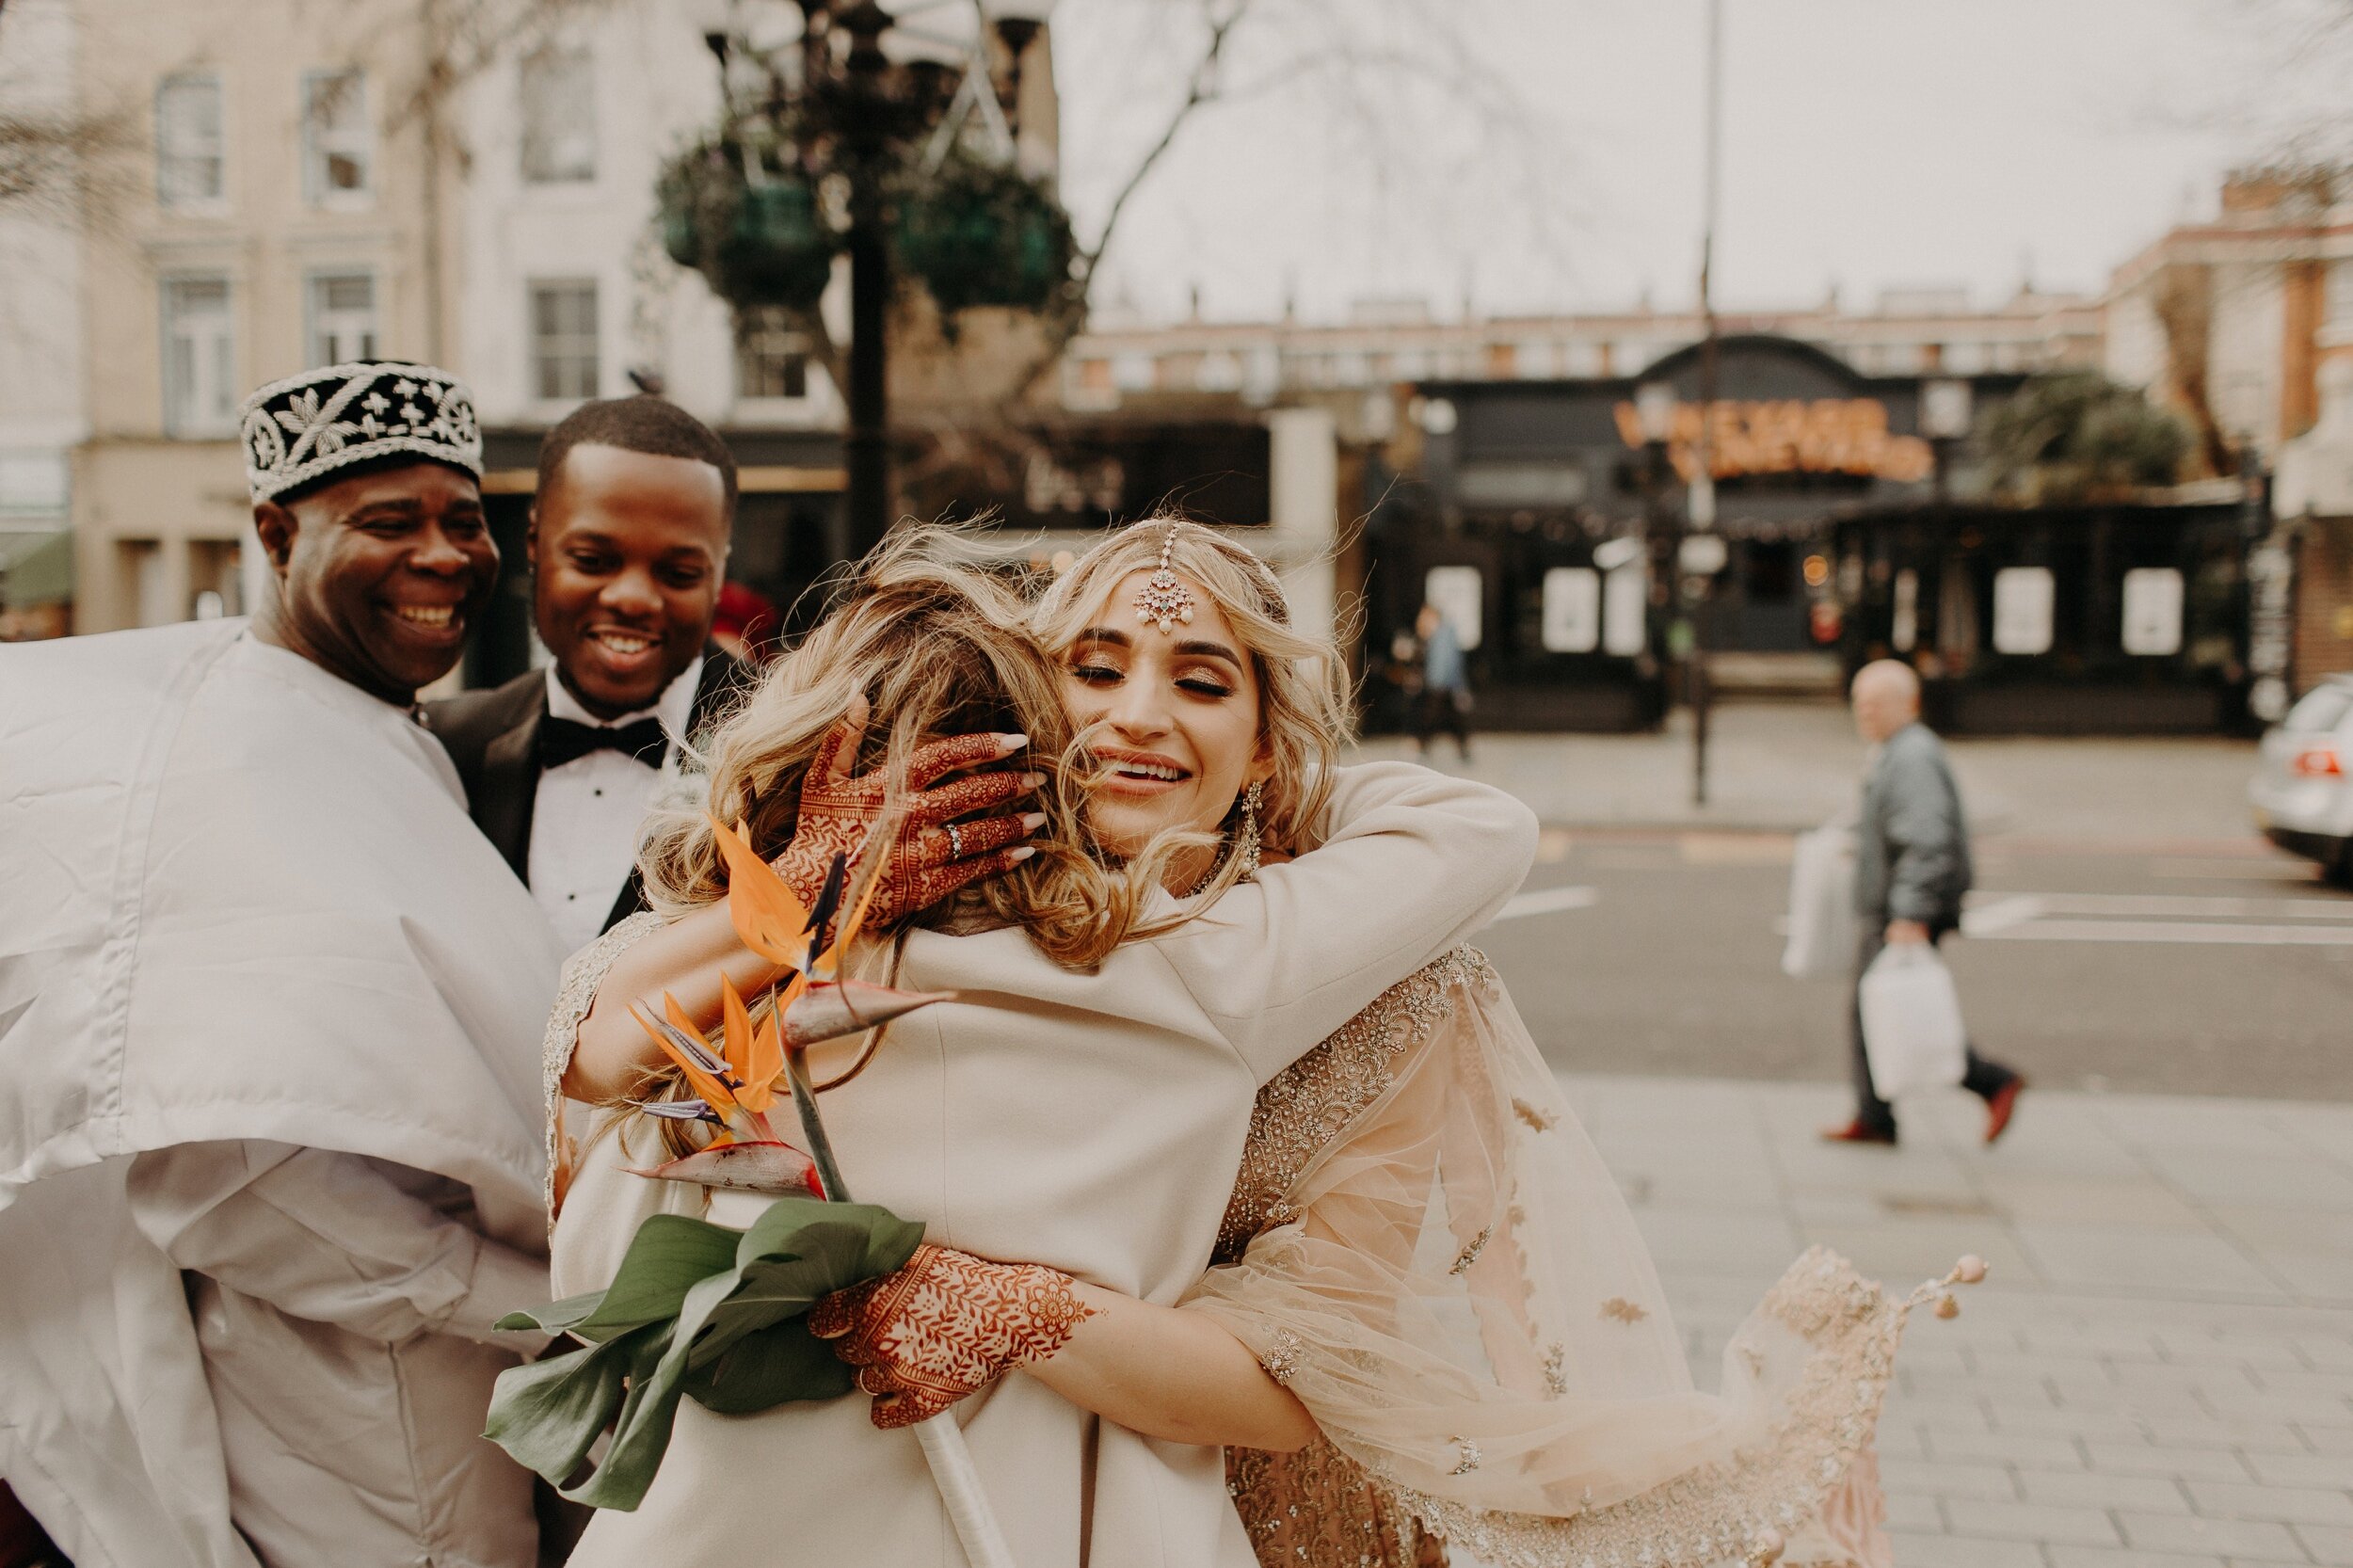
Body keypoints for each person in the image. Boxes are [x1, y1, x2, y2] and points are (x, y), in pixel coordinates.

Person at [542, 519, 1539, 1566]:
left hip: (1059, 1509)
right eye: (1092, 670)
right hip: (743, 1510)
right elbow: (599, 1060)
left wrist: (1015, 1309)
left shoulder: (1237, 958)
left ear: (1263, 739)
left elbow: (1479, 829)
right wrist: (814, 890)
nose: (1137, 717)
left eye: (1202, 685)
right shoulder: (857, 898)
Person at [0, 362, 567, 1568]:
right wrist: (532, 1305)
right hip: (352, 1441)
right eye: (386, 521)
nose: (444, 554)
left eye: (463, 521)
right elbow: (221, 1178)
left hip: (456, 1402)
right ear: (275, 532)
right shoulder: (229, 758)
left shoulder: (370, 724)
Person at [429, 395, 756, 952]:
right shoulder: (447, 745)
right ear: (533, 544)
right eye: (593, 561)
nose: (632, 598)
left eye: (677, 572)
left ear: (718, 569)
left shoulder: (787, 753)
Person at [1823, 659, 2025, 1146]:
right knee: (1882, 1007)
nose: (1865, 713)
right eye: (1859, 704)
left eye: (1876, 704)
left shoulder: (1911, 756)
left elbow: (1928, 841)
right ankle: (1876, 1115)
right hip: (1896, 905)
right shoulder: (1894, 751)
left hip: (1904, 911)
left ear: (1908, 704)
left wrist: (1910, 912)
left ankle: (1990, 1081)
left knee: (1895, 1008)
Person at [1411, 601, 1472, 760]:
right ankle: (1461, 747)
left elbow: (1445, 662)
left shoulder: (1442, 634)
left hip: (1440, 684)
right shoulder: (1434, 634)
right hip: (1442, 684)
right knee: (1449, 718)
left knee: (1434, 716)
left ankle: (1424, 745)